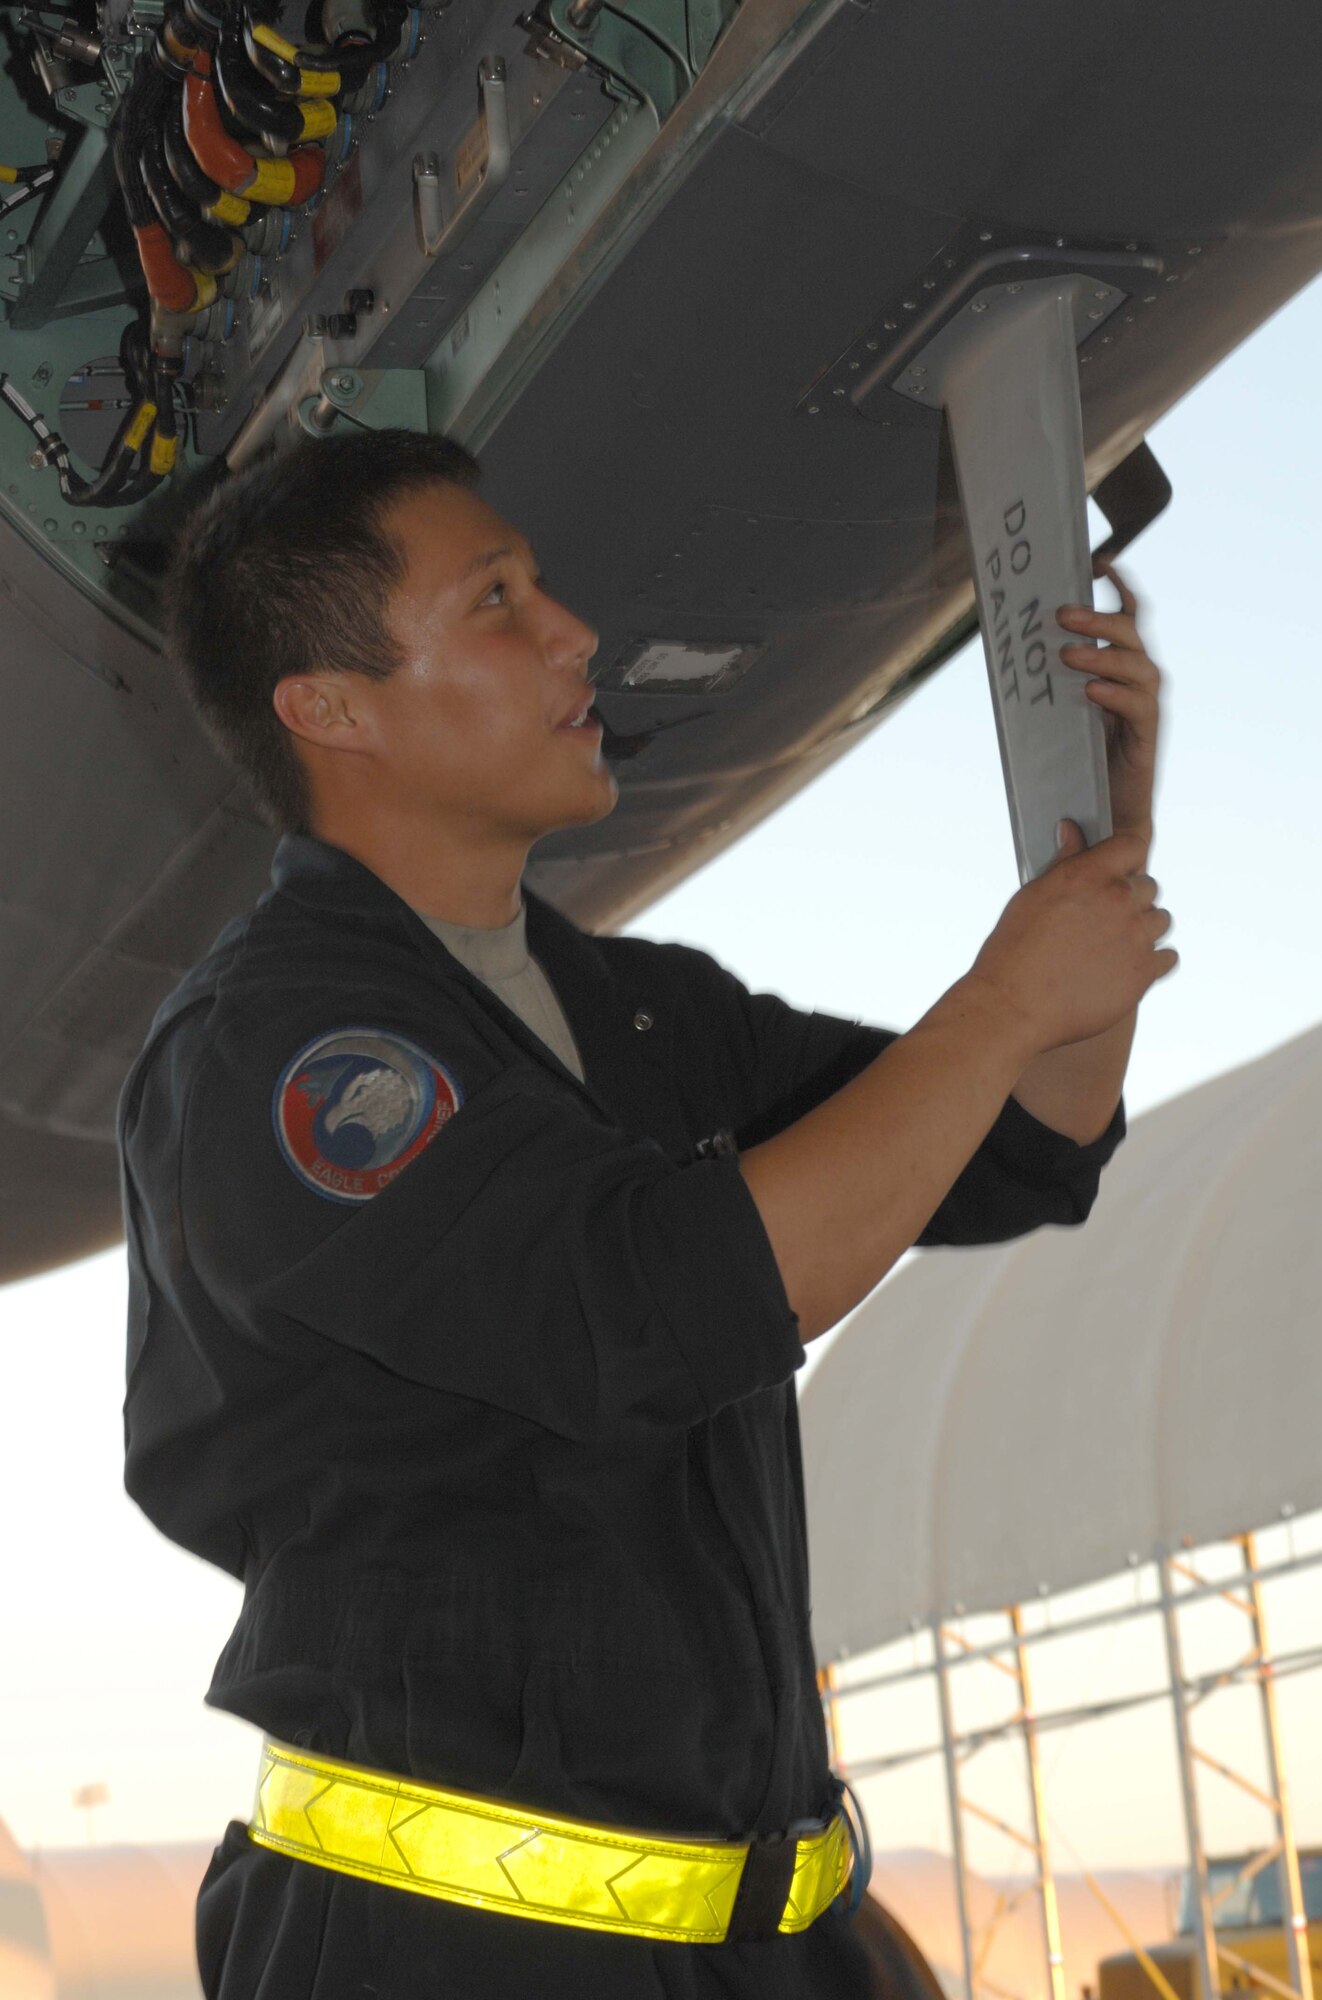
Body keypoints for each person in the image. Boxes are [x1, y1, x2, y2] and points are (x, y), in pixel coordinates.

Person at [118, 427, 1177, 2000]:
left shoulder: (636, 1014)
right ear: (331, 710)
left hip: (769, 1939)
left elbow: (1017, 1143)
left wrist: (1094, 843)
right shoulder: (288, 1062)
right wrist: (1004, 1000)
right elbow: (656, 1308)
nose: (574, 631)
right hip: (453, 1959)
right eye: (496, 601)